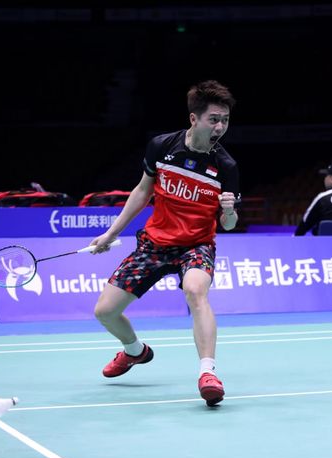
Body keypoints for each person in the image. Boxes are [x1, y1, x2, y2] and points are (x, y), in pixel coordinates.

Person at [89, 80, 240, 407]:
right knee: (105, 312)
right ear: (194, 119)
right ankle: (134, 351)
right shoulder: (162, 146)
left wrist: (229, 212)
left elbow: (228, 225)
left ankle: (208, 373)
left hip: (197, 244)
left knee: (196, 290)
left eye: (225, 120)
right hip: (155, 243)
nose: (220, 127)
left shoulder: (226, 167)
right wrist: (111, 233)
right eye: (214, 119)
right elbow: (142, 191)